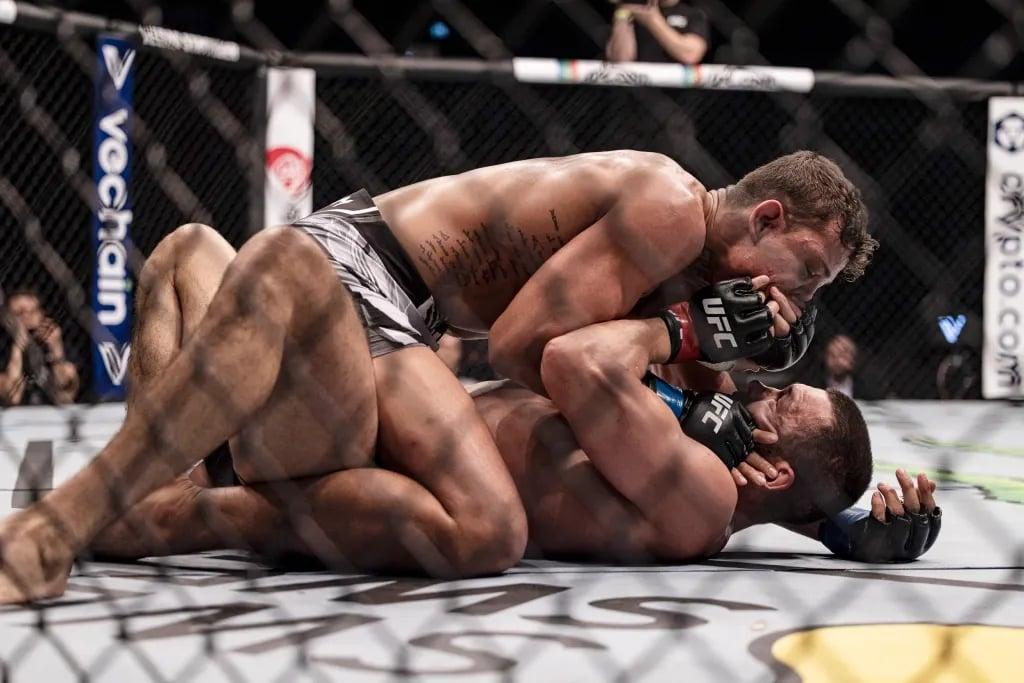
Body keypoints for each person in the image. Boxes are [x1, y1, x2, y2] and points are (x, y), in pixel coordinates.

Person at [0, 149, 875, 602]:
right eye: (811, 270)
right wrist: (686, 332)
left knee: (197, 259)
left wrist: (831, 520)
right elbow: (528, 347)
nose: (799, 296)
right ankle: (76, 522)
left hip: (382, 293)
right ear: (767, 215)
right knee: (485, 525)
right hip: (365, 276)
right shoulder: (673, 211)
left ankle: (192, 315)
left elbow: (646, 373)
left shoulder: (683, 260)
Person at [0, 289, 79, 406]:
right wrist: (17, 346)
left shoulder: (55, 341)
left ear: (41, 313)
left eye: (31, 311)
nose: (26, 317)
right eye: (19, 313)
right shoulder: (3, 346)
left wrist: (56, 350)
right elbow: (13, 397)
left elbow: (66, 396)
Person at [606, 0, 710, 65]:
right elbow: (620, 59)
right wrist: (622, 14)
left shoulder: (694, 14)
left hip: (678, 93)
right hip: (637, 89)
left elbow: (690, 54)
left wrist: (653, 21)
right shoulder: (634, 10)